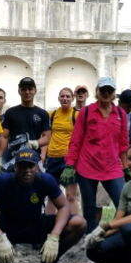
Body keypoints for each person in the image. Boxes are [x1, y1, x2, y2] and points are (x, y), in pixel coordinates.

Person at [0, 149, 87, 263]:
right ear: (16, 167)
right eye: (22, 166)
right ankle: (0, 260)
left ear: (37, 167)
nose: (26, 170)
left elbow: (64, 207)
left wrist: (54, 235)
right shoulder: (5, 180)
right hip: (8, 227)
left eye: (30, 166)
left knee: (79, 223)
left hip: (36, 226)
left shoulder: (45, 180)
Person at [61, 77, 129, 234]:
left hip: (112, 167)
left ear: (113, 94)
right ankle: (90, 242)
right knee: (90, 208)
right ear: (97, 92)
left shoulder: (120, 114)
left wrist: (126, 167)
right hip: (87, 167)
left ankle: (120, 236)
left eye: (109, 91)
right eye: (103, 90)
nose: (106, 93)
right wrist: (70, 164)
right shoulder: (86, 112)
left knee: (122, 204)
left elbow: (123, 143)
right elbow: (76, 140)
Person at [0, 77, 51, 170]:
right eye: (23, 89)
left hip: (34, 160)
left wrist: (36, 143)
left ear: (35, 91)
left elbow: (47, 137)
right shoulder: (10, 112)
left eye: (30, 89)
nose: (27, 92)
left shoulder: (42, 114)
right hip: (13, 160)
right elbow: (4, 137)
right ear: (19, 91)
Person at [44, 88, 79, 216]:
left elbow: (80, 138)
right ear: (58, 98)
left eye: (68, 96)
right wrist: (44, 156)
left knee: (70, 196)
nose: (65, 99)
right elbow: (47, 135)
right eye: (62, 96)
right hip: (52, 158)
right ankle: (49, 225)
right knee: (52, 195)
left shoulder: (76, 115)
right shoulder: (52, 115)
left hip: (68, 159)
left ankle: (75, 225)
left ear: (72, 99)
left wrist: (75, 162)